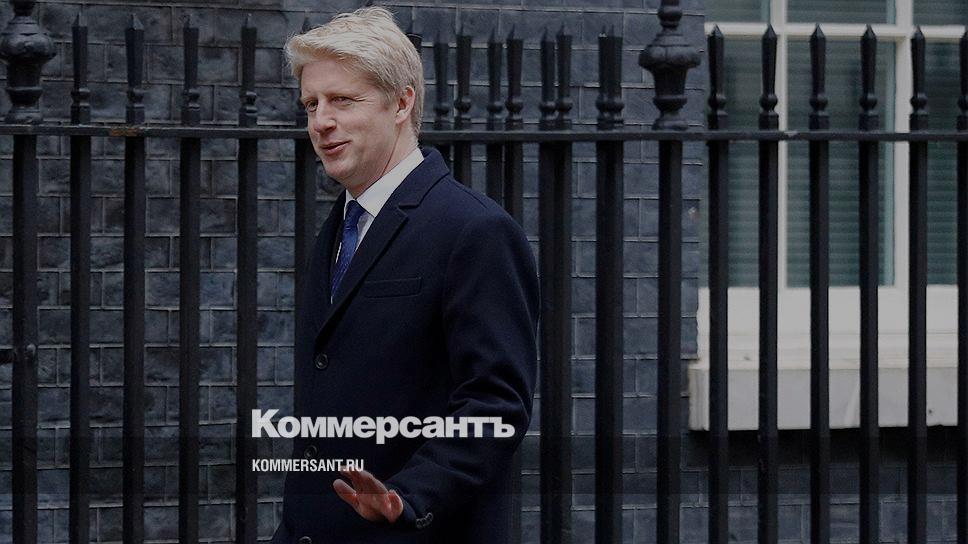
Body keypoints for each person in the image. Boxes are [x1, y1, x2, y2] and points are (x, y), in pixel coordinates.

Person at [271, 7, 539, 543]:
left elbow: (495, 403)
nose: (321, 121)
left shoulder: (474, 229)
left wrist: (407, 497)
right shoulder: (340, 228)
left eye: (342, 100)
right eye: (312, 104)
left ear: (401, 102)